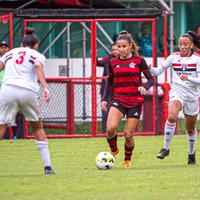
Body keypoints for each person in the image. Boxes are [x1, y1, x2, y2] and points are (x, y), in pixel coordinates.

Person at [0, 28, 55, 174]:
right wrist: (45, 88)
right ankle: (47, 167)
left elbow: (0, 66)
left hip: (8, 89)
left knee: (2, 126)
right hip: (27, 91)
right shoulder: (37, 54)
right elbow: (37, 65)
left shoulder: (10, 52)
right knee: (37, 127)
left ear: (22, 44)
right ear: (36, 45)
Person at [101, 30, 154, 169]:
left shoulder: (139, 60)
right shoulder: (112, 62)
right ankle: (114, 149)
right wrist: (105, 99)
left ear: (130, 46)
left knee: (128, 134)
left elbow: (151, 79)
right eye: (119, 47)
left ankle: (127, 159)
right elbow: (110, 82)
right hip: (118, 99)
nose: (121, 49)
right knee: (110, 129)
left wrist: (145, 88)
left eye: (124, 46)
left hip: (135, 101)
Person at [149, 33, 200, 165]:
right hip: (177, 92)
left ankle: (191, 153)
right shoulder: (173, 57)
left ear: (191, 45)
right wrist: (147, 68)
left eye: (185, 44)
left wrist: (189, 78)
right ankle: (165, 148)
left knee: (190, 129)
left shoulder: (197, 59)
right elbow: (157, 71)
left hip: (192, 96)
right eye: (180, 44)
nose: (182, 47)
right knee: (172, 116)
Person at [97, 43, 119, 132]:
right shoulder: (107, 59)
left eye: (116, 49)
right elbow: (98, 63)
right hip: (107, 90)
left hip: (118, 90)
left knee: (117, 111)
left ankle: (114, 130)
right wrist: (94, 56)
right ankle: (104, 131)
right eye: (113, 50)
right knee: (105, 111)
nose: (115, 51)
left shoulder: (123, 60)